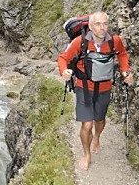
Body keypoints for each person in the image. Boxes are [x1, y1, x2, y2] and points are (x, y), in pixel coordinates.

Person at [57, 11, 133, 171]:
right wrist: (64, 71)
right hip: (84, 88)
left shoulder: (115, 41)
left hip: (105, 87)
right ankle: (86, 154)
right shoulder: (80, 42)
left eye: (105, 23)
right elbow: (63, 58)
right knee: (86, 125)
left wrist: (125, 71)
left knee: (100, 120)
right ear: (90, 26)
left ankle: (97, 137)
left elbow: (122, 55)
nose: (102, 27)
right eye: (98, 24)